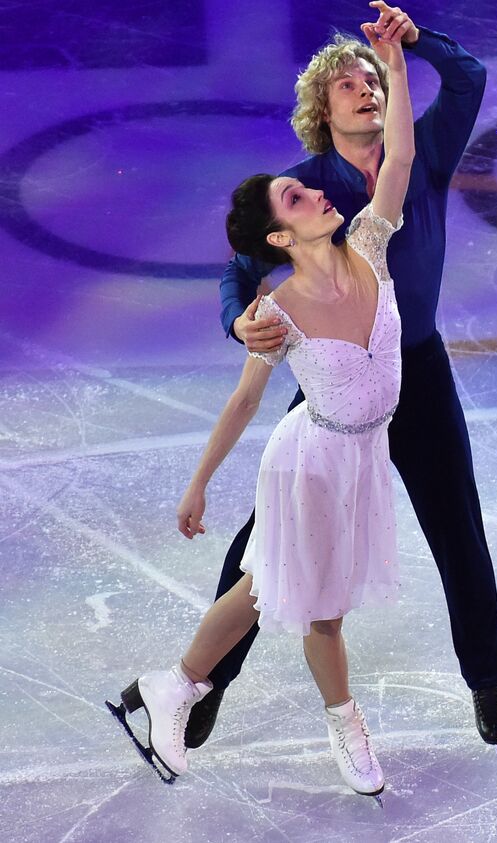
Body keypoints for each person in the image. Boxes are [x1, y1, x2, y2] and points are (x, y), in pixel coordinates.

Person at [107, 17, 416, 797]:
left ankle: (169, 686)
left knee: (257, 591)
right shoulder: (277, 310)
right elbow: (246, 400)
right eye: (299, 195)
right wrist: (198, 483)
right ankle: (347, 730)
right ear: (281, 235)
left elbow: (402, 154)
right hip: (310, 461)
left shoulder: (372, 242)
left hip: (361, 455)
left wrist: (394, 66)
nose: (318, 191)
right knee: (318, 612)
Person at [197, 1, 497, 753]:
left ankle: (489, 677)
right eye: (346, 83)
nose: (364, 87)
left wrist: (413, 40)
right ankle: (205, 678)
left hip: (419, 373)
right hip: (337, 389)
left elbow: (468, 77)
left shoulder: (423, 148)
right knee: (265, 542)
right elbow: (238, 276)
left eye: (371, 78)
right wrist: (239, 320)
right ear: (321, 110)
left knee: (457, 525)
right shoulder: (303, 191)